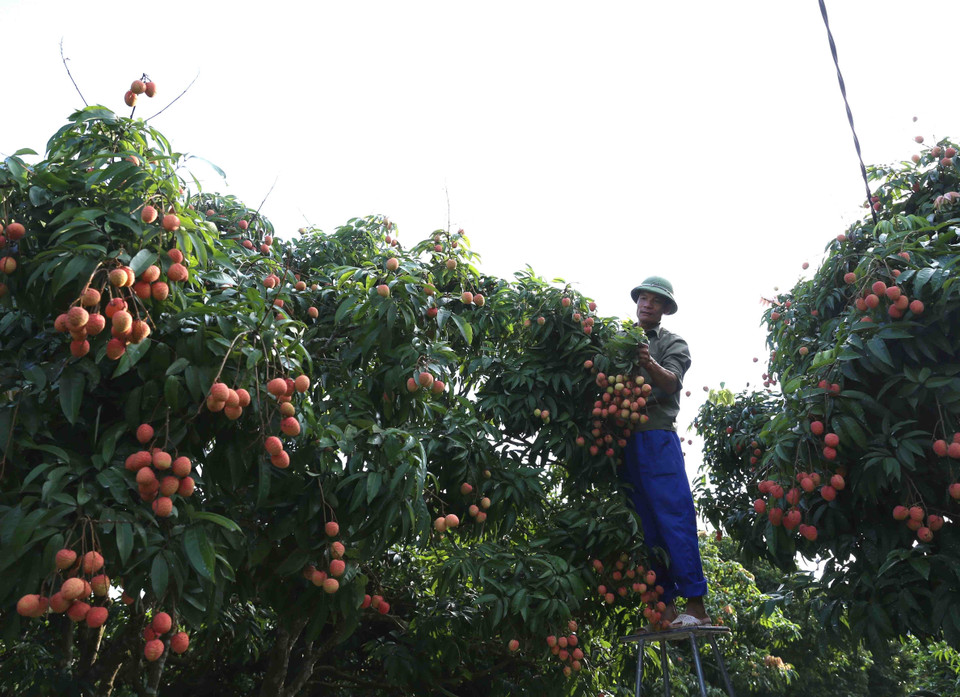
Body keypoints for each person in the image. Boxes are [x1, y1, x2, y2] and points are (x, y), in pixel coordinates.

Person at [621, 276, 710, 629]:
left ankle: (697, 606)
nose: (647, 304)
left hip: (657, 439)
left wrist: (648, 363)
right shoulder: (619, 339)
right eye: (643, 298)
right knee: (645, 527)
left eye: (655, 301)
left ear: (664, 310)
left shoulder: (673, 343)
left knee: (674, 517)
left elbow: (672, 382)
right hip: (625, 442)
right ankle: (666, 609)